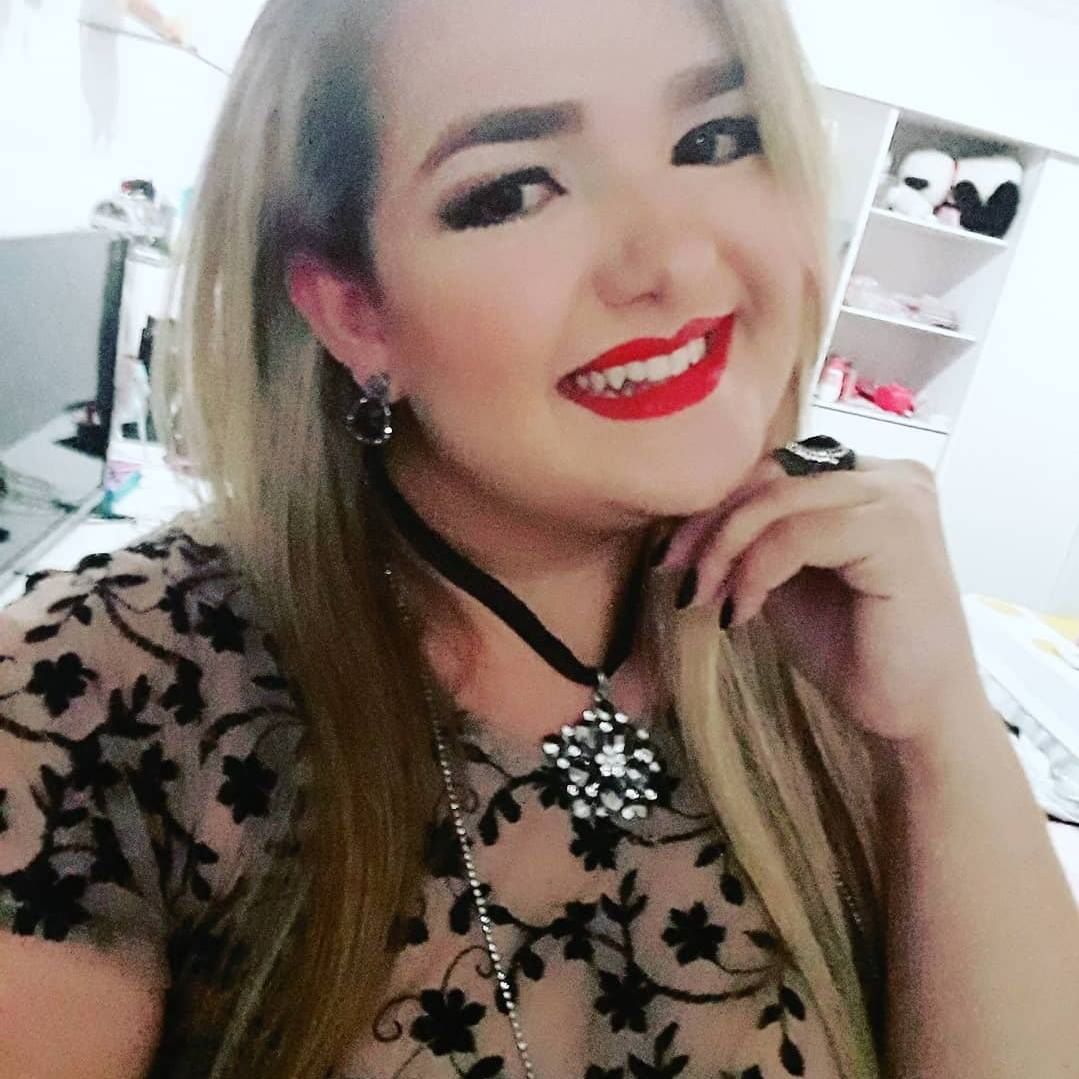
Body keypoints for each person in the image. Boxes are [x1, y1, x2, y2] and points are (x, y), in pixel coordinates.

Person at [1, 0, 1076, 1076]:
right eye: (513, 190)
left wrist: (940, 735)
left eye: (714, 139)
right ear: (356, 313)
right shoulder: (95, 701)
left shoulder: (841, 634)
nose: (675, 262)